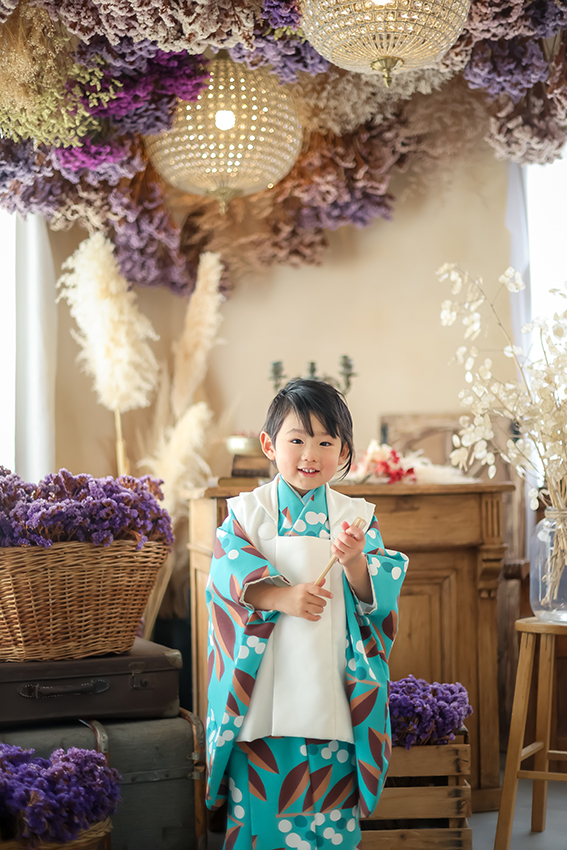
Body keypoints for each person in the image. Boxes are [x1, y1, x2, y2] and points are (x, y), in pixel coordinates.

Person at [206, 379, 408, 849]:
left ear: (344, 452)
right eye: (296, 440)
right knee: (262, 807)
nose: (310, 454)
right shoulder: (247, 512)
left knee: (331, 811)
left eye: (325, 442)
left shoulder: (356, 516)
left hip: (332, 682)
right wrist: (280, 598)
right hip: (263, 691)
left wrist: (355, 561)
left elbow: (377, 597)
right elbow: (226, 574)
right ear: (269, 444)